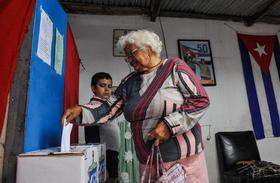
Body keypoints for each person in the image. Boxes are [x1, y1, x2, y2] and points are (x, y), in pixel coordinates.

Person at [62, 29, 210, 183]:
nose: (128, 60)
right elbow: (107, 110)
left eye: (131, 54)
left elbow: (200, 100)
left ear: (148, 48)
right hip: (147, 161)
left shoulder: (174, 67)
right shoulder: (129, 82)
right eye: (126, 57)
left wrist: (169, 125)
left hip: (185, 161)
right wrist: (81, 111)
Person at [84, 72, 120, 181]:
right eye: (102, 86)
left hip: (111, 149)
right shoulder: (93, 107)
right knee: (108, 177)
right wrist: (97, 153)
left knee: (113, 176)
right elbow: (92, 135)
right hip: (103, 151)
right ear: (93, 88)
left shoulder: (107, 105)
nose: (107, 89)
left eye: (109, 86)